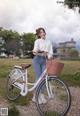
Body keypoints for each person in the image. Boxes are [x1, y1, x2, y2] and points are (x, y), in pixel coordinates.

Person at [32, 27, 53, 104]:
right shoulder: (37, 41)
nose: (42, 33)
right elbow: (35, 50)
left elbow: (50, 52)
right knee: (38, 77)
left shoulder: (49, 42)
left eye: (43, 32)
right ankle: (36, 96)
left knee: (44, 78)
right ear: (38, 34)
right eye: (40, 32)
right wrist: (36, 51)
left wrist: (49, 56)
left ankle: (41, 95)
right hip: (37, 60)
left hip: (44, 60)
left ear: (45, 32)